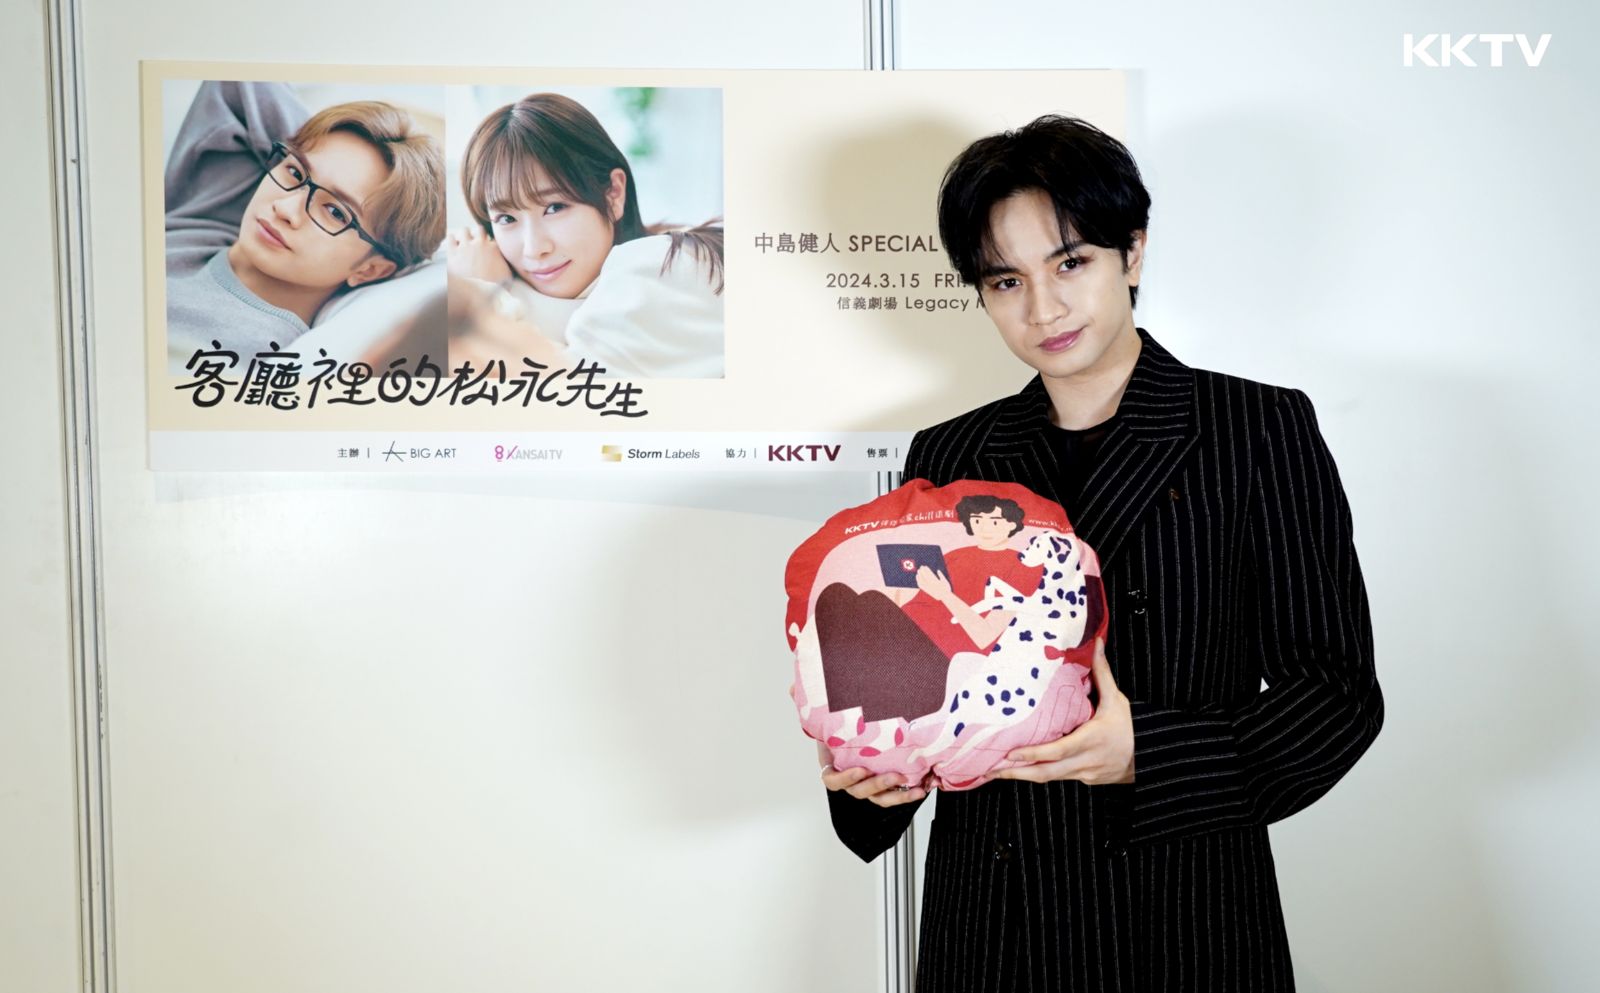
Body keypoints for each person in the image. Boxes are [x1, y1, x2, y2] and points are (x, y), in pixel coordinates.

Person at [818, 115, 1384, 992]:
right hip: (992, 921)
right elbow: (918, 664)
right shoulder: (949, 453)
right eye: (1007, 280)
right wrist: (872, 773)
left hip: (1182, 912)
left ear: (1133, 252)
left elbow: (1336, 697)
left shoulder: (1256, 428)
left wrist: (1148, 752)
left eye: (1070, 263)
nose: (1042, 308)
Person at [164, 81, 445, 367]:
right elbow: (240, 82)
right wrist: (318, 136)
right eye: (296, 172)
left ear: (370, 269)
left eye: (335, 212)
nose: (285, 208)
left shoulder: (241, 354)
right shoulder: (211, 214)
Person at [447, 92, 724, 379]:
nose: (534, 248)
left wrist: (484, 298)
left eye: (555, 208)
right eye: (507, 219)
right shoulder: (586, 301)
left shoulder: (662, 265)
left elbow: (567, 392)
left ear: (613, 193)